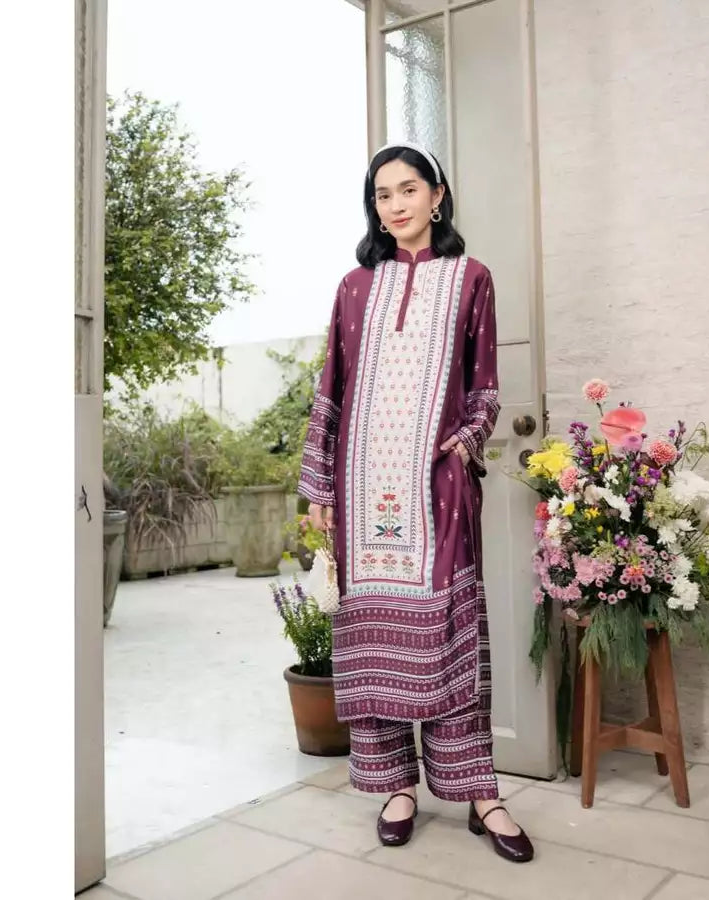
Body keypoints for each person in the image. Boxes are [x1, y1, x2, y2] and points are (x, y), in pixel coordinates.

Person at [297, 142, 534, 863]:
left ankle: (478, 792)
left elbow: (486, 389)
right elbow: (330, 390)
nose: (394, 205)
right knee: (375, 642)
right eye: (381, 195)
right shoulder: (354, 287)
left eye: (408, 189)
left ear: (438, 194)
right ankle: (396, 786)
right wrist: (317, 489)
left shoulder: (472, 279)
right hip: (362, 495)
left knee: (451, 637)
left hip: (438, 495)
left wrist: (462, 447)